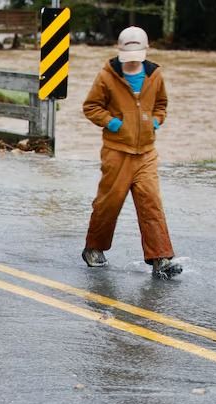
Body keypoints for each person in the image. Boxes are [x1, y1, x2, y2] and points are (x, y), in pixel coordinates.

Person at [82, 26, 181, 278]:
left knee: (151, 204)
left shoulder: (155, 75)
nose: (133, 61)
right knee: (108, 204)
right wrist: (113, 123)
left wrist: (155, 121)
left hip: (147, 152)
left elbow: (162, 105)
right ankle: (94, 248)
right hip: (117, 151)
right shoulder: (107, 76)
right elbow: (91, 106)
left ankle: (161, 258)